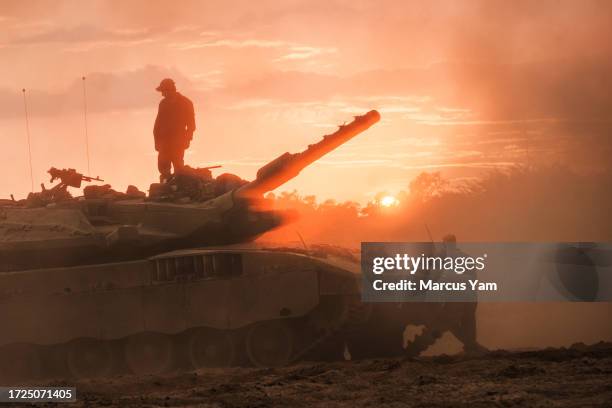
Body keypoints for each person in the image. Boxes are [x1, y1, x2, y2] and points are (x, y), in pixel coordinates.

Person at [153, 78, 196, 182]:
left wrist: (187, 139)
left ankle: (178, 189)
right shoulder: (163, 103)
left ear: (170, 89)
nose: (162, 94)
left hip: (178, 142)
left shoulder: (186, 103)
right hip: (164, 142)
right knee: (163, 168)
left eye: (164, 91)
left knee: (178, 169)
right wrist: (157, 142)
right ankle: (165, 188)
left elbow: (191, 125)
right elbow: (158, 124)